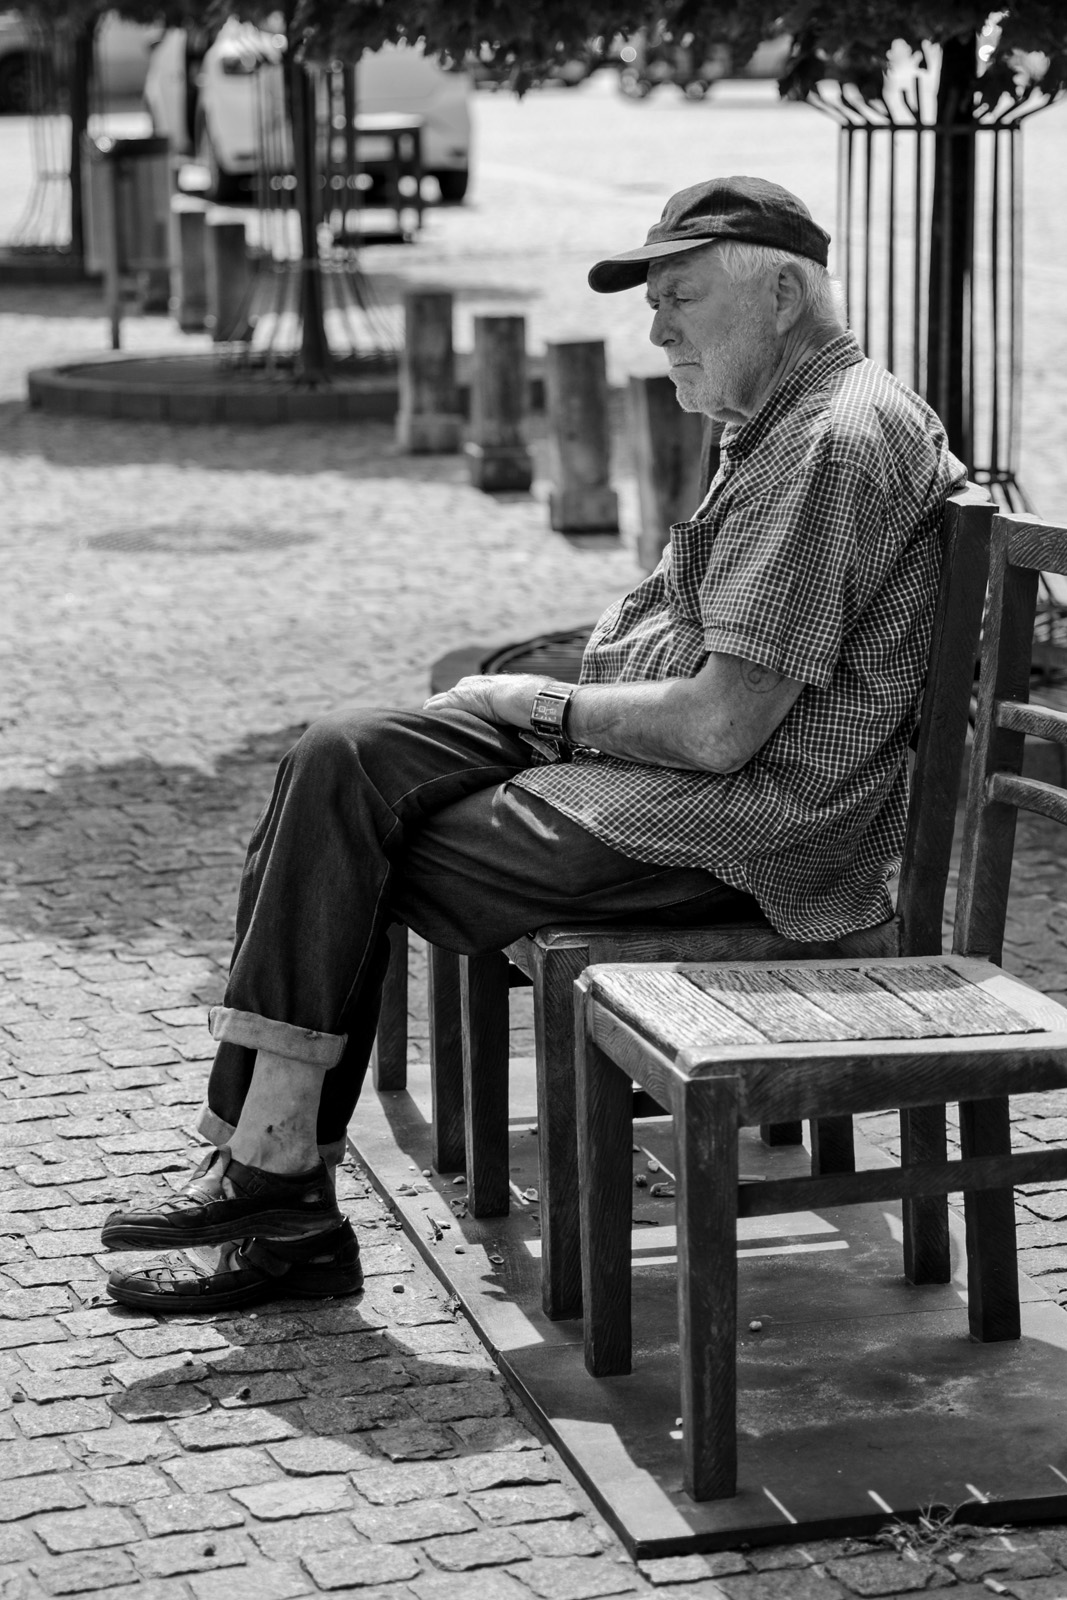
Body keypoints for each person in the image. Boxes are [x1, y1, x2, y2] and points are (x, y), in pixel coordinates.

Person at [102, 175, 966, 1312]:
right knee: (337, 756)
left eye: (682, 298)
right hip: (665, 784)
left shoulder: (828, 444)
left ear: (786, 295)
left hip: (746, 831)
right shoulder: (786, 422)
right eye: (650, 302)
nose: (655, 328)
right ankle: (267, 1177)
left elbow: (718, 729)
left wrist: (539, 706)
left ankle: (276, 1187)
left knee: (341, 848)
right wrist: (529, 697)